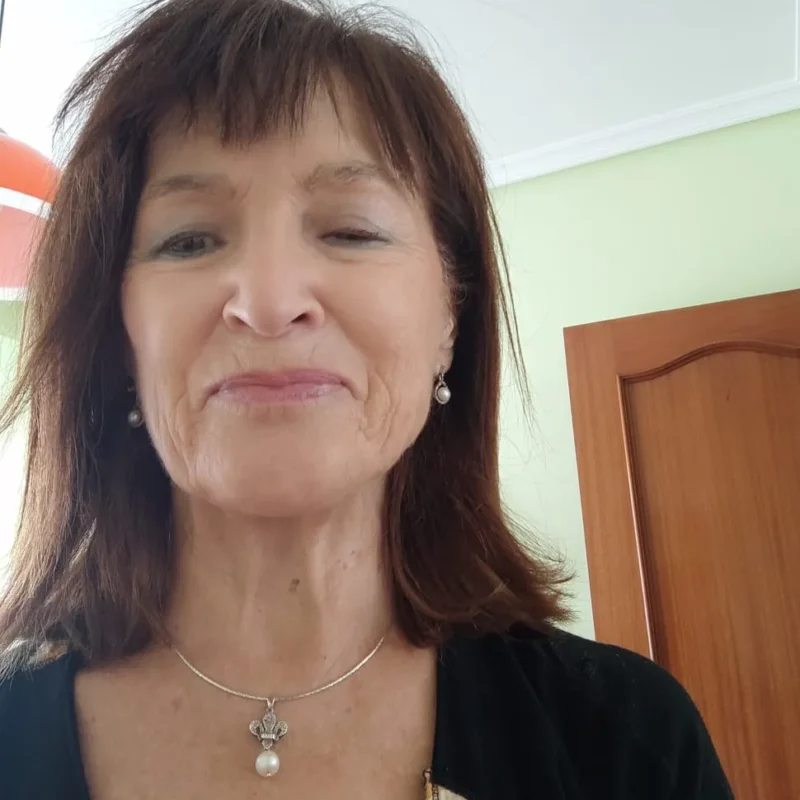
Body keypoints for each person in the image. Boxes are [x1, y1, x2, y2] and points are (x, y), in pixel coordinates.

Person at [0, 1, 733, 797]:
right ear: (117, 336)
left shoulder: (627, 740)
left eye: (350, 231)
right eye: (189, 240)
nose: (269, 302)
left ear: (451, 321)